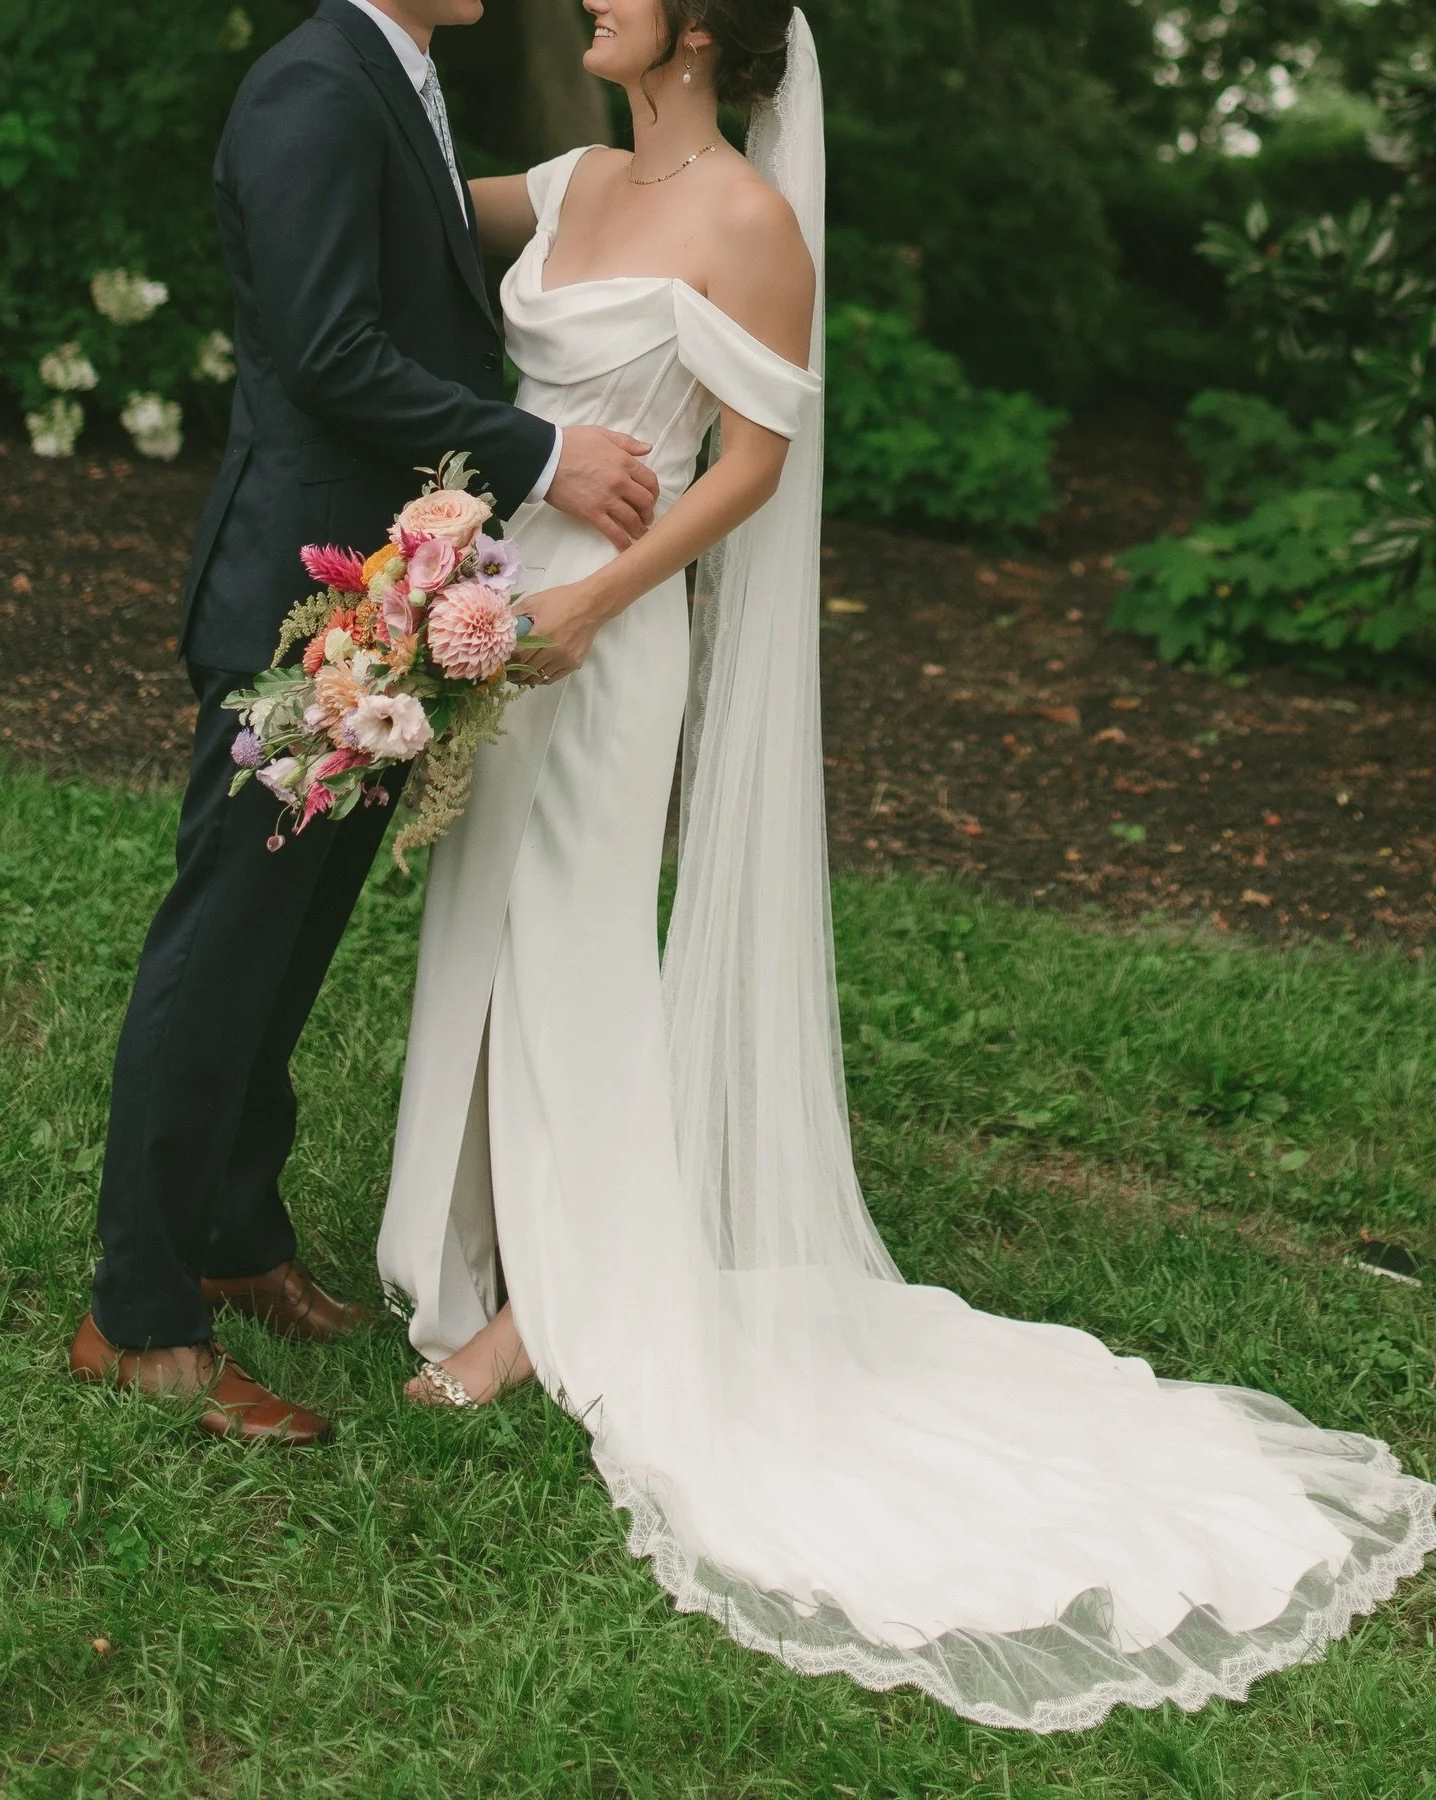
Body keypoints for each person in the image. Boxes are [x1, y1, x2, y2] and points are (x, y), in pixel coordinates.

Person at [375, 0, 1436, 1728]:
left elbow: (756, 466)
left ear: (700, 26)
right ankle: (477, 1235)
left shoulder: (749, 223)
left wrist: (591, 601)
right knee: (475, 914)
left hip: (607, 630)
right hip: (494, 597)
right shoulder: (563, 177)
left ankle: (553, 1311)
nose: (588, 0)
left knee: (573, 937)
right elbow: (402, 180)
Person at [69, 0, 661, 1445]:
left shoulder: (397, 79)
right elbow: (330, 350)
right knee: (223, 948)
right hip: (302, 596)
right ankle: (139, 1316)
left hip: (381, 599)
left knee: (287, 948)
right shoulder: (315, 91)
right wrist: (545, 455)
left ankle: (233, 1231)